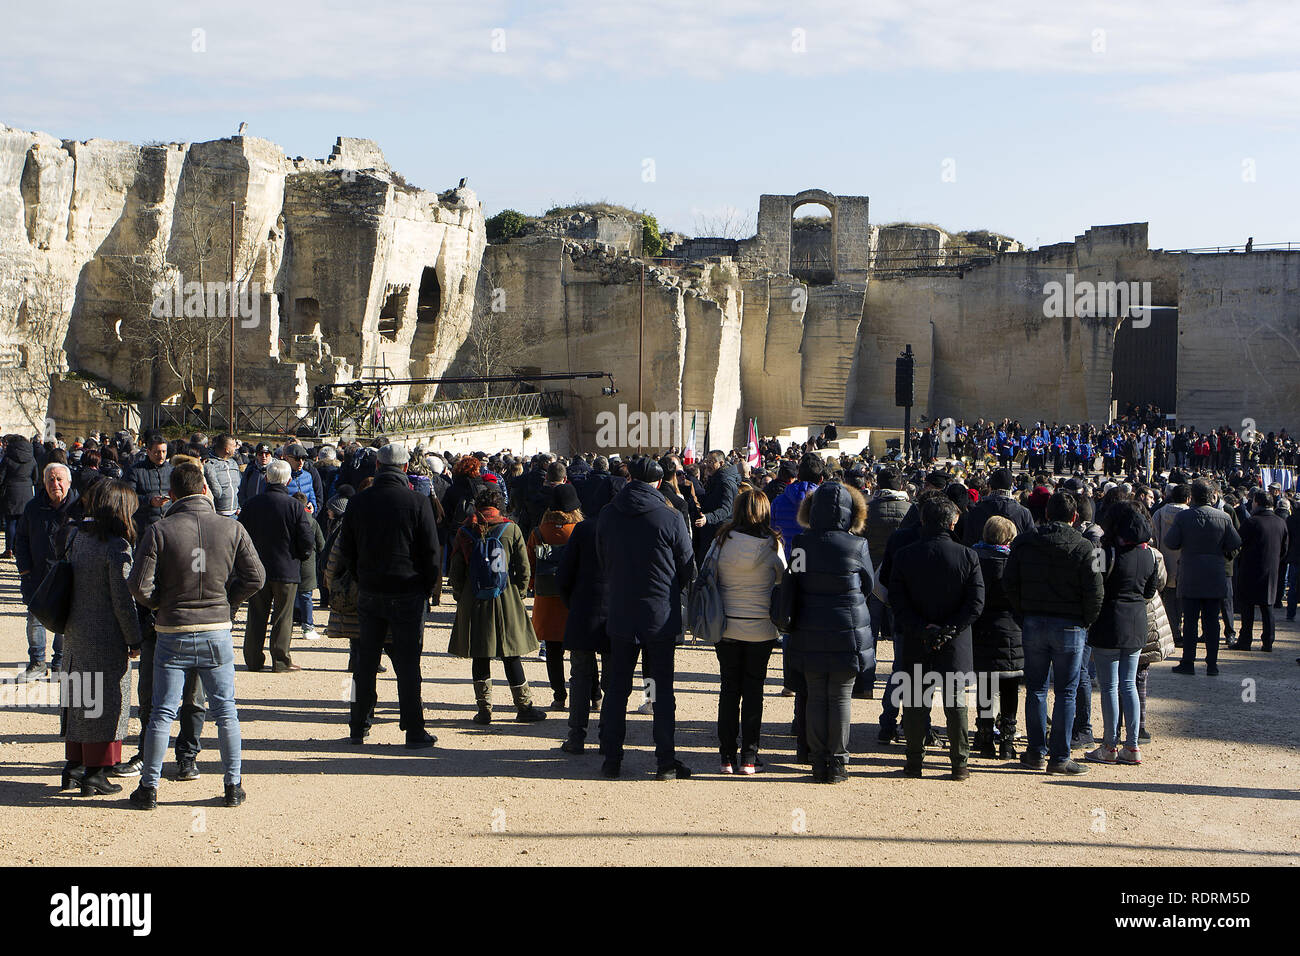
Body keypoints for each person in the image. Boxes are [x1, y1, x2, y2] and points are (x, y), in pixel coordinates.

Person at [127, 463, 265, 809]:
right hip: (216, 628)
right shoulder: (231, 528)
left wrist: (162, 603)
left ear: (171, 494)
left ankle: (149, 788)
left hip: (173, 628)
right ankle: (233, 785)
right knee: (226, 711)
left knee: (162, 711)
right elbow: (256, 577)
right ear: (205, 488)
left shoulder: (160, 530)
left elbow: (138, 586)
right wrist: (228, 602)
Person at [596, 457, 695, 779]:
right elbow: (687, 567)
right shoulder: (669, 516)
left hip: (623, 611)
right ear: (657, 483)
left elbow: (602, 559)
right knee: (659, 689)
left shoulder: (610, 514)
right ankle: (665, 760)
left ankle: (612, 757)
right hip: (659, 615)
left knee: (617, 688)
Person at [340, 443, 443, 747]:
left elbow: (346, 550)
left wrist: (363, 577)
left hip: (371, 590)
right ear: (406, 469)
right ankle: (413, 728)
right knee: (409, 665)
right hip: (408, 590)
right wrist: (425, 588)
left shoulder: (358, 503)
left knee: (364, 664)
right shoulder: (417, 501)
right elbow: (431, 553)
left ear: (376, 467)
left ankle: (358, 724)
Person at [1003, 490, 1104, 775]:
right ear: (1074, 518)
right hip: (1070, 625)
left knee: (1035, 688)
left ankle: (1036, 751)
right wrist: (1085, 621)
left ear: (1047, 513)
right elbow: (1096, 591)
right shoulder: (1085, 548)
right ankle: (1059, 756)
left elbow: (1009, 582)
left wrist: (1022, 613)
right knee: (1066, 692)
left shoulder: (1024, 542)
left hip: (1034, 621)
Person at [58, 480, 143, 796]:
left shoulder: (76, 536)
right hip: (105, 636)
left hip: (75, 631)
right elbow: (124, 600)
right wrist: (134, 639)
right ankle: (94, 773)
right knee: (102, 705)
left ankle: (74, 768)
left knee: (79, 699)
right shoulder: (116, 546)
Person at [890, 494, 984, 780]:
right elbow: (975, 604)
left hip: (917, 637)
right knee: (956, 705)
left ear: (922, 521)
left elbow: (897, 601)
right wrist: (950, 629)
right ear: (953, 523)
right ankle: (960, 763)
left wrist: (921, 627)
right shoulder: (968, 556)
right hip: (953, 641)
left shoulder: (905, 555)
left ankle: (914, 761)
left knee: (916, 702)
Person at [787, 481, 874, 783]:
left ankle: (817, 759)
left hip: (809, 627)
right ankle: (836, 761)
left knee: (814, 696)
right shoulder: (857, 545)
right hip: (846, 629)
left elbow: (794, 582)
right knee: (839, 698)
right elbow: (868, 585)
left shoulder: (801, 543)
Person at [447, 487, 545, 725]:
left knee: (480, 655)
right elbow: (524, 568)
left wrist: (462, 596)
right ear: (500, 506)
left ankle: (484, 710)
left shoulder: (464, 531)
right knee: (511, 654)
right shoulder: (510, 529)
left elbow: (456, 571)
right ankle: (524, 706)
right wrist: (519, 593)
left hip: (475, 597)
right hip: (505, 595)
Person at [712, 489, 787, 774]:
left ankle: (726, 757)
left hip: (727, 623)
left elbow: (709, 574)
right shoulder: (772, 543)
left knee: (729, 689)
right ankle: (750, 756)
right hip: (760, 627)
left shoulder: (721, 540)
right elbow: (783, 576)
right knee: (754, 690)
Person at [1084, 501, 1160, 766]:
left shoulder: (1103, 552)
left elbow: (1091, 586)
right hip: (1137, 621)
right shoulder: (1149, 554)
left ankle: (1109, 745)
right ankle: (1133, 745)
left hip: (1108, 621)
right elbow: (1150, 592)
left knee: (1109, 688)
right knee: (1129, 685)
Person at [238, 459, 315, 673]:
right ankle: (280, 660)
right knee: (283, 617)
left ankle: (253, 659)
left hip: (256, 567)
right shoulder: (294, 506)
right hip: (286, 567)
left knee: (256, 615)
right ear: (288, 480)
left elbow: (240, 535)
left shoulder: (252, 504)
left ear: (266, 477)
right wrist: (301, 556)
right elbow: (306, 538)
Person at [13, 462, 81, 681]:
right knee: (34, 619)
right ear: (44, 483)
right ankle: (37, 662)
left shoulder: (80, 508)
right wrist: (24, 571)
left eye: (60, 479)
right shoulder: (33, 507)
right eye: (50, 479)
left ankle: (60, 661)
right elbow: (20, 539)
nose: (55, 484)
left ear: (69, 482)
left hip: (69, 575)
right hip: (37, 573)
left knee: (65, 619)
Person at [1167, 480, 1242, 676]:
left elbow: (1171, 542)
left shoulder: (1184, 517)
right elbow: (1236, 543)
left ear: (1192, 496)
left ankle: (1188, 662)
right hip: (1215, 574)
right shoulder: (1224, 517)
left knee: (1190, 621)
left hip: (1191, 573)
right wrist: (1221, 555)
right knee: (1212, 621)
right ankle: (1212, 664)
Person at [556, 492, 609, 755]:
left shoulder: (583, 530)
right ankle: (607, 735)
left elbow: (564, 575)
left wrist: (573, 603)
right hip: (616, 613)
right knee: (614, 678)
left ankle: (576, 736)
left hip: (584, 609)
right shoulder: (625, 531)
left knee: (579, 676)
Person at [970, 515, 1023, 759]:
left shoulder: (974, 558)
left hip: (982, 628)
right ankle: (1008, 742)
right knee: (1011, 687)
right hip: (1012, 629)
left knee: (985, 686)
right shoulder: (1016, 562)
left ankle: (985, 737)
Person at [526, 483, 582, 709]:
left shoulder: (539, 532)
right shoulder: (579, 530)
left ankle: (559, 696)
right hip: (576, 597)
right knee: (582, 651)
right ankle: (593, 694)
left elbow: (529, 565)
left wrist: (532, 585)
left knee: (553, 651)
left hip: (548, 597)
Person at [1234, 490, 1288, 651]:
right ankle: (1268, 641)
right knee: (1267, 607)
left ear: (1256, 503)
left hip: (1250, 569)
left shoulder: (1252, 522)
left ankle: (1245, 640)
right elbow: (1285, 549)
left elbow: (1237, 542)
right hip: (1271, 569)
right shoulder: (1280, 522)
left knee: (1247, 608)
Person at [692, 451, 739, 567]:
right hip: (709, 530)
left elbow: (726, 509)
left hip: (718, 531)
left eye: (711, 462)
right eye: (706, 461)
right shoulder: (715, 478)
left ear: (721, 463)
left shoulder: (726, 482)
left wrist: (707, 518)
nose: (707, 465)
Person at [291, 492, 326, 642]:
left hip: (289, 563)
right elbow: (321, 545)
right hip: (307, 564)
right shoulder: (312, 522)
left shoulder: (288, 520)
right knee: (306, 597)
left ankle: (285, 625)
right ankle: (308, 627)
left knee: (289, 597)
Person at [0, 434, 39, 559]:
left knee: (10, 522)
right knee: (22, 523)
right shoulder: (31, 458)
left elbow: (1, 477)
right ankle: (19, 548)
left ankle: (9, 549)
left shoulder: (7, 458)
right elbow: (36, 478)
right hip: (26, 492)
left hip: (10, 491)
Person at [202, 434, 241, 517]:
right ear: (227, 449)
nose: (236, 448)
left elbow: (239, 486)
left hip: (235, 514)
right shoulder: (209, 464)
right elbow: (215, 491)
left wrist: (239, 506)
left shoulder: (233, 463)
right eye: (234, 446)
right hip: (216, 514)